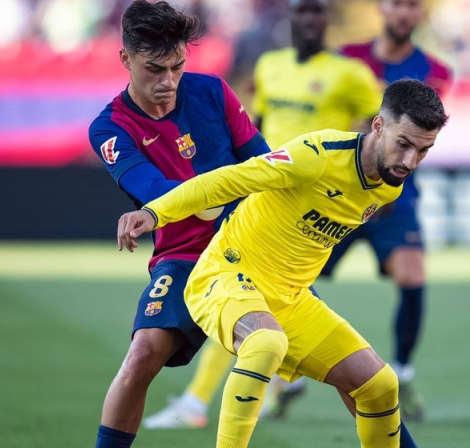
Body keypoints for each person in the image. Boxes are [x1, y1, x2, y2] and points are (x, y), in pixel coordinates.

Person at [117, 78, 448, 448]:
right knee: (265, 343)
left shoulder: (390, 182)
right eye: (404, 144)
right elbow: (228, 180)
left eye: (423, 151)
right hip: (227, 274)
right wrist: (156, 212)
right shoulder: (318, 155)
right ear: (378, 125)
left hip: (291, 298)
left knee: (380, 386)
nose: (410, 161)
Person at [141, 0, 384, 429]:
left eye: (316, 12)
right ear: (290, 18)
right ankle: (216, 397)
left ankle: (231, 393)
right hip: (270, 190)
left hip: (318, 200)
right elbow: (258, 125)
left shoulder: (350, 74)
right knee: (250, 300)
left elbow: (376, 129)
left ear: (326, 20)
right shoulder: (270, 66)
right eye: (301, 12)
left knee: (261, 305)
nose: (309, 19)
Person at [87, 1, 271, 447]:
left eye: (177, 66)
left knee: (354, 371)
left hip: (253, 250)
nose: (168, 81)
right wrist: (211, 198)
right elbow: (150, 187)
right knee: (141, 357)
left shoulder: (213, 93)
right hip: (185, 258)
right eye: (155, 69)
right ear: (125, 58)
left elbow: (264, 165)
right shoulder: (110, 128)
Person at [325, 0, 454, 422]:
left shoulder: (435, 71)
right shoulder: (347, 59)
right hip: (341, 190)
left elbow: (417, 130)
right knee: (295, 275)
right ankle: (290, 371)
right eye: (398, 4)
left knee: (413, 276)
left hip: (395, 196)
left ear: (420, 15)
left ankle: (401, 369)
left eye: (413, 6)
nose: (404, 14)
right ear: (383, 8)